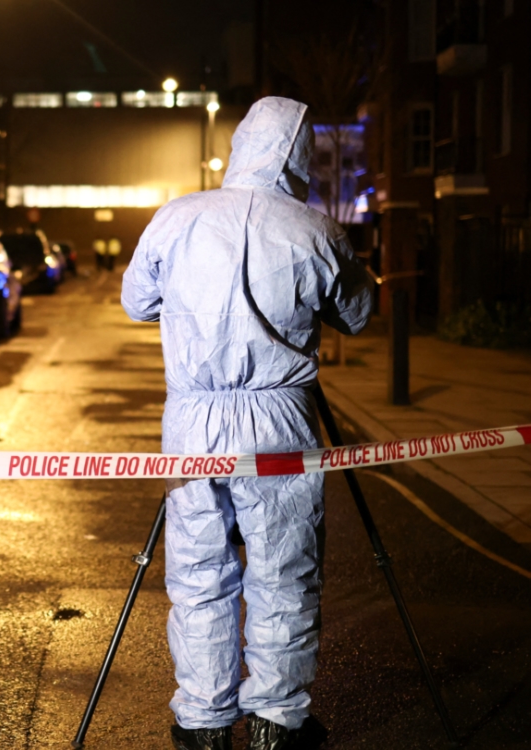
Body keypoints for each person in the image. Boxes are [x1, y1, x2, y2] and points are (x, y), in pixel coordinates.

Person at [122, 97, 373, 750]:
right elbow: (357, 313)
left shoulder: (176, 218)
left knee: (198, 571)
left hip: (193, 421)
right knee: (283, 571)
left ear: (240, 147)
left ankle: (204, 723)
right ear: (300, 156)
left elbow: (136, 302)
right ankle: (275, 722)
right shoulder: (316, 230)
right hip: (279, 419)